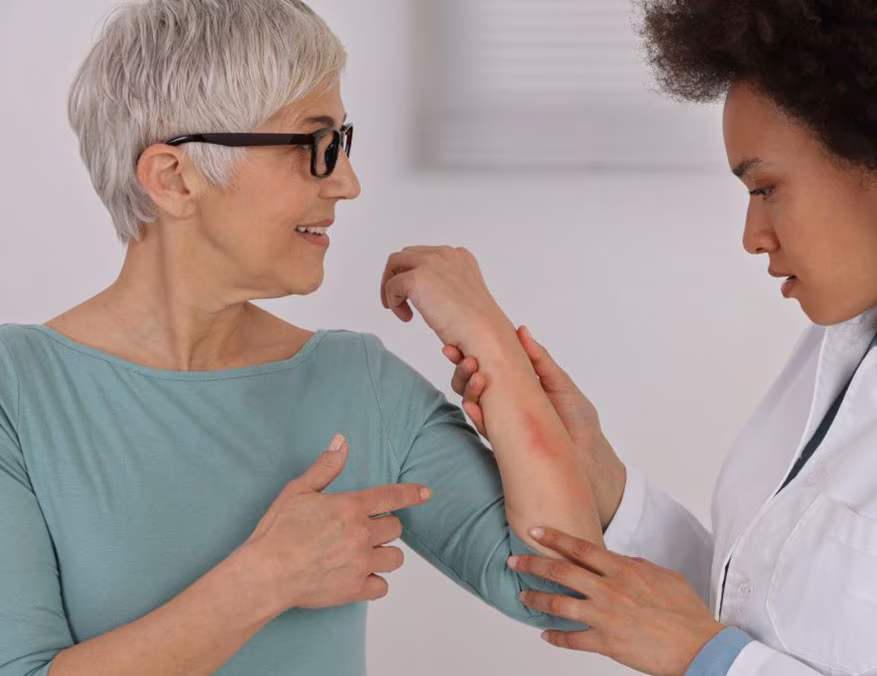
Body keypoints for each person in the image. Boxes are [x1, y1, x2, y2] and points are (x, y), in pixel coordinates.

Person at [438, 1, 877, 674]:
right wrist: (606, 484)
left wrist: (710, 661)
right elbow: (754, 607)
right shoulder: (846, 346)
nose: (752, 237)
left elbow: (720, 646)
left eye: (766, 188)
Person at [0, 2, 599, 674]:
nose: (347, 182)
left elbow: (564, 591)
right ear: (174, 178)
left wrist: (493, 344)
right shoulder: (16, 393)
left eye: (344, 143)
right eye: (315, 146)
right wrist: (267, 579)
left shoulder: (357, 381)